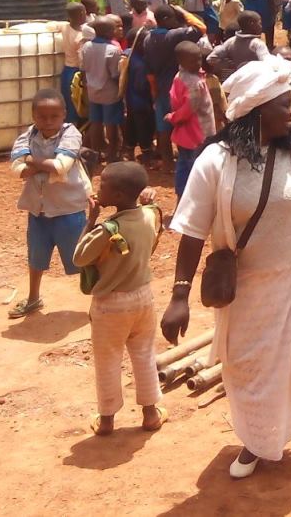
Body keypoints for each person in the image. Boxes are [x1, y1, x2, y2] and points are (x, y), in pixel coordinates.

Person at [162, 57, 291, 481]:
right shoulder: (215, 161)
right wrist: (179, 296)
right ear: (256, 113)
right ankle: (257, 441)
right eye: (283, 104)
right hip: (245, 292)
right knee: (248, 369)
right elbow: (192, 230)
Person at [72, 161, 165, 436]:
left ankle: (107, 420)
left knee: (108, 359)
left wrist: (90, 220)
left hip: (111, 304)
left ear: (120, 196)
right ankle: (150, 414)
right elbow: (149, 207)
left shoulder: (106, 230)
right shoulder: (150, 217)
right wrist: (148, 199)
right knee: (144, 354)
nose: (98, 189)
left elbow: (79, 257)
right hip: (143, 298)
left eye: (103, 186)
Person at [9, 88, 90, 318]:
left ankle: (102, 301)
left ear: (64, 114)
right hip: (39, 209)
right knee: (36, 257)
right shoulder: (28, 135)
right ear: (33, 115)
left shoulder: (71, 134)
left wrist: (31, 160)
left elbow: (61, 166)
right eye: (42, 117)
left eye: (54, 116)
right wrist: (41, 164)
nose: (48, 121)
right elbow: (17, 170)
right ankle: (33, 298)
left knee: (82, 259)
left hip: (69, 208)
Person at [145, 5, 204, 172]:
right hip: (180, 87)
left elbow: (149, 72)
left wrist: (154, 91)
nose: (176, 22)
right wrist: (183, 11)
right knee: (184, 122)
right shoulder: (174, 35)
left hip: (161, 87)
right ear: (165, 19)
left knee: (163, 127)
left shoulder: (148, 38)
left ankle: (167, 163)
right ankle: (188, 161)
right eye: (173, 18)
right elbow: (201, 28)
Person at [167, 40, 216, 199]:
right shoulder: (195, 83)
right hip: (197, 133)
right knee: (193, 167)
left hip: (185, 133)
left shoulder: (179, 76)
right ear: (181, 61)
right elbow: (189, 109)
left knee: (183, 164)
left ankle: (182, 197)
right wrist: (173, 117)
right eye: (193, 60)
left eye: (199, 59)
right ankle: (188, 199)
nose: (198, 63)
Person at [82, 16, 125, 162]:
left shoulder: (86, 46)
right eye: (113, 28)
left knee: (96, 122)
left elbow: (84, 69)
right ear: (108, 32)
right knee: (111, 124)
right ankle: (112, 154)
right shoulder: (112, 50)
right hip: (109, 93)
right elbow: (114, 74)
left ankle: (95, 153)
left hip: (93, 91)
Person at [58, 2, 95, 125]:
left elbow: (49, 25)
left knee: (69, 103)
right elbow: (82, 60)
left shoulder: (64, 27)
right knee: (78, 103)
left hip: (66, 71)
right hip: (77, 73)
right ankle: (76, 131)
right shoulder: (80, 37)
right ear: (81, 14)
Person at [123, 26, 156, 163]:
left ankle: (129, 150)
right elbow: (142, 85)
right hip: (141, 101)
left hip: (130, 99)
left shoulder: (128, 54)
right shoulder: (141, 64)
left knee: (131, 124)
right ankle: (146, 153)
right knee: (144, 127)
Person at [206, 10, 270, 81]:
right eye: (259, 23)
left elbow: (210, 59)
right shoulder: (257, 44)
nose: (261, 26)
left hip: (234, 81)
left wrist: (225, 64)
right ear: (252, 24)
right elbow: (267, 62)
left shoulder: (230, 41)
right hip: (253, 81)